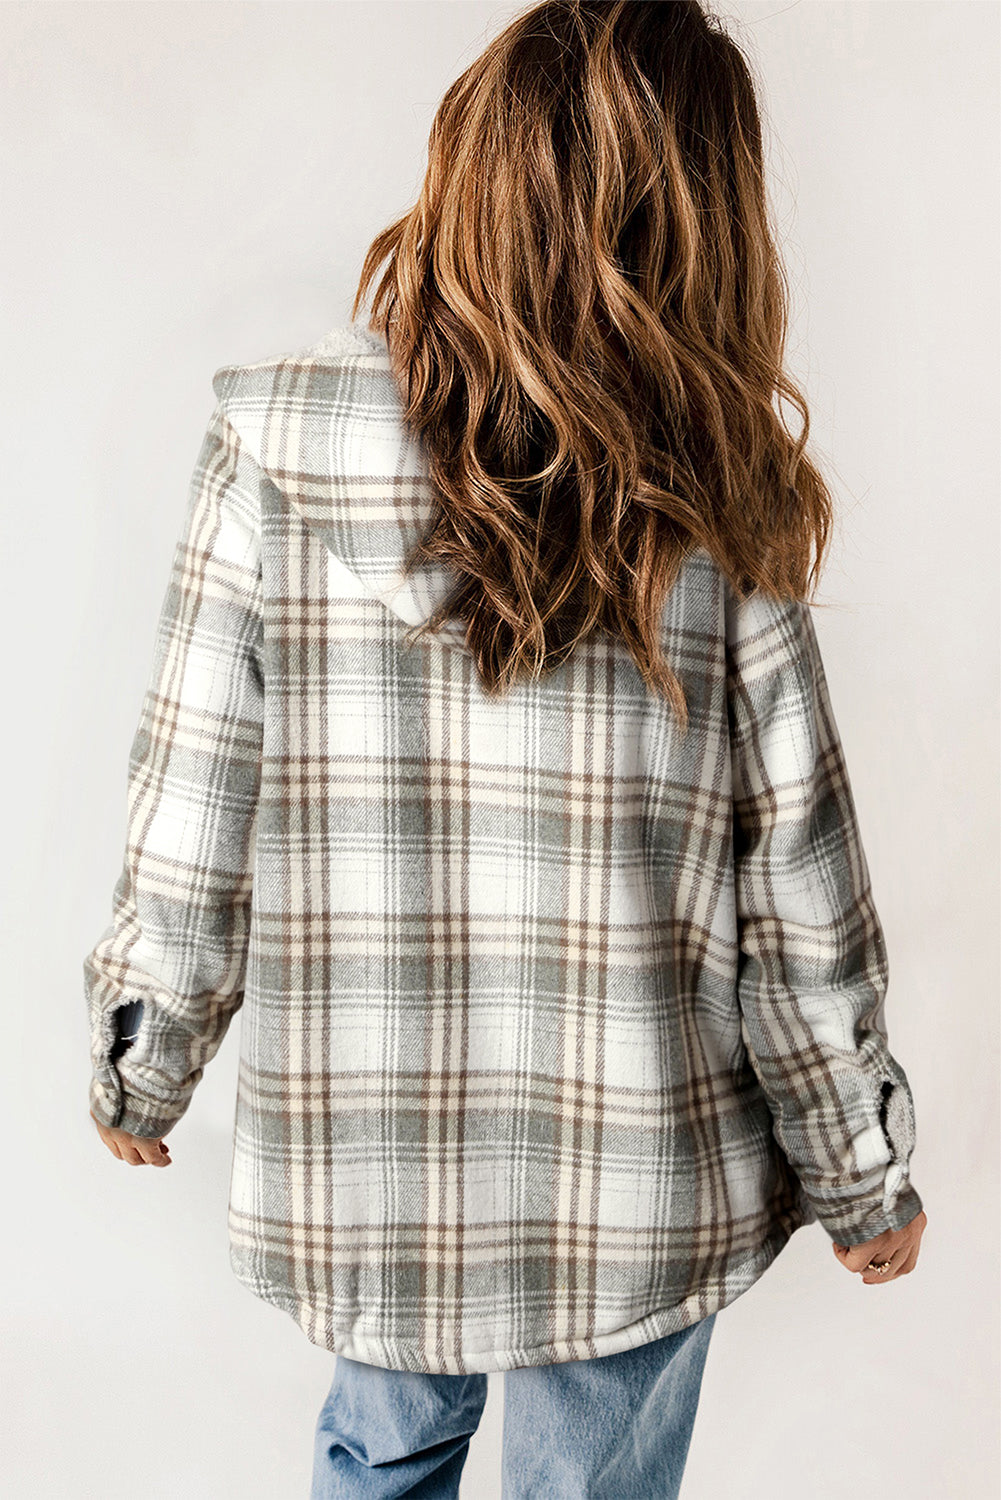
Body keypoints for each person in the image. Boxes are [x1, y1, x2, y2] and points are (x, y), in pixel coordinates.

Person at [84, 2, 927, 1495]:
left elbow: (196, 795)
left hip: (371, 1165)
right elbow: (792, 878)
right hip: (630, 1173)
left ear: (468, 169)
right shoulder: (717, 491)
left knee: (379, 1456)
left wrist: (148, 1047)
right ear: (707, 220)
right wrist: (859, 1169)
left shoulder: (278, 448)